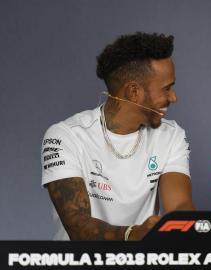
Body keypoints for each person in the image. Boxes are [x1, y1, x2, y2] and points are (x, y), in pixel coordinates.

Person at [41, 32, 195, 240]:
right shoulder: (65, 136)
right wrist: (133, 234)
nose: (173, 97)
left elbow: (180, 206)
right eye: (166, 89)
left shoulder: (171, 135)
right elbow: (77, 225)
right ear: (133, 92)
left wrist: (179, 229)